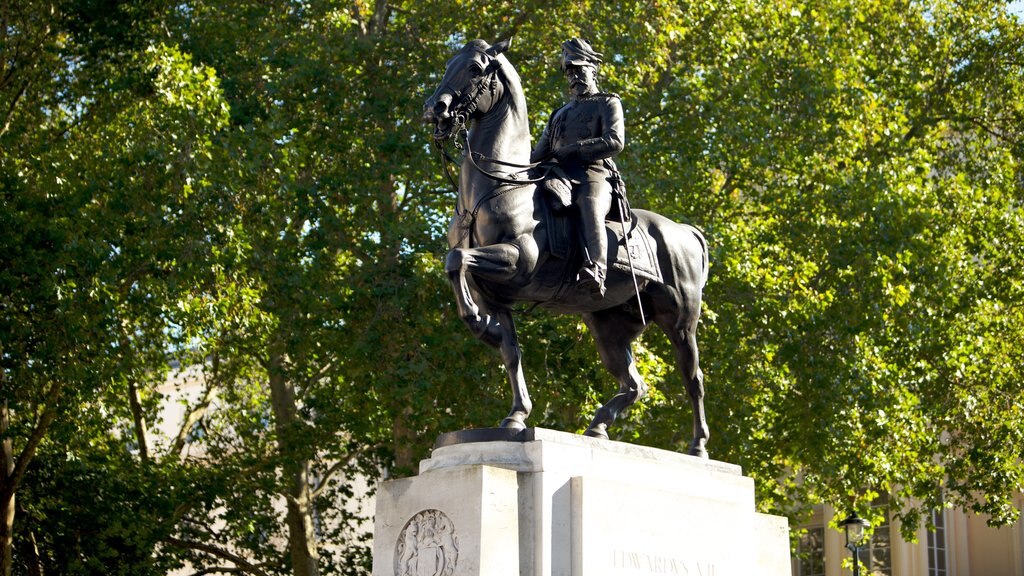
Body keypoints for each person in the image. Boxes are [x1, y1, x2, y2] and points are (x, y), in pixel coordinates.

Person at [531, 38, 625, 299]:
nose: (574, 77)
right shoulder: (559, 114)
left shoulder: (607, 103)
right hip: (558, 175)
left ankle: (597, 269)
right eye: (569, 72)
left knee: (589, 204)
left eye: (579, 69)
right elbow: (538, 154)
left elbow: (615, 141)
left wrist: (574, 149)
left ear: (593, 68)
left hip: (593, 174)